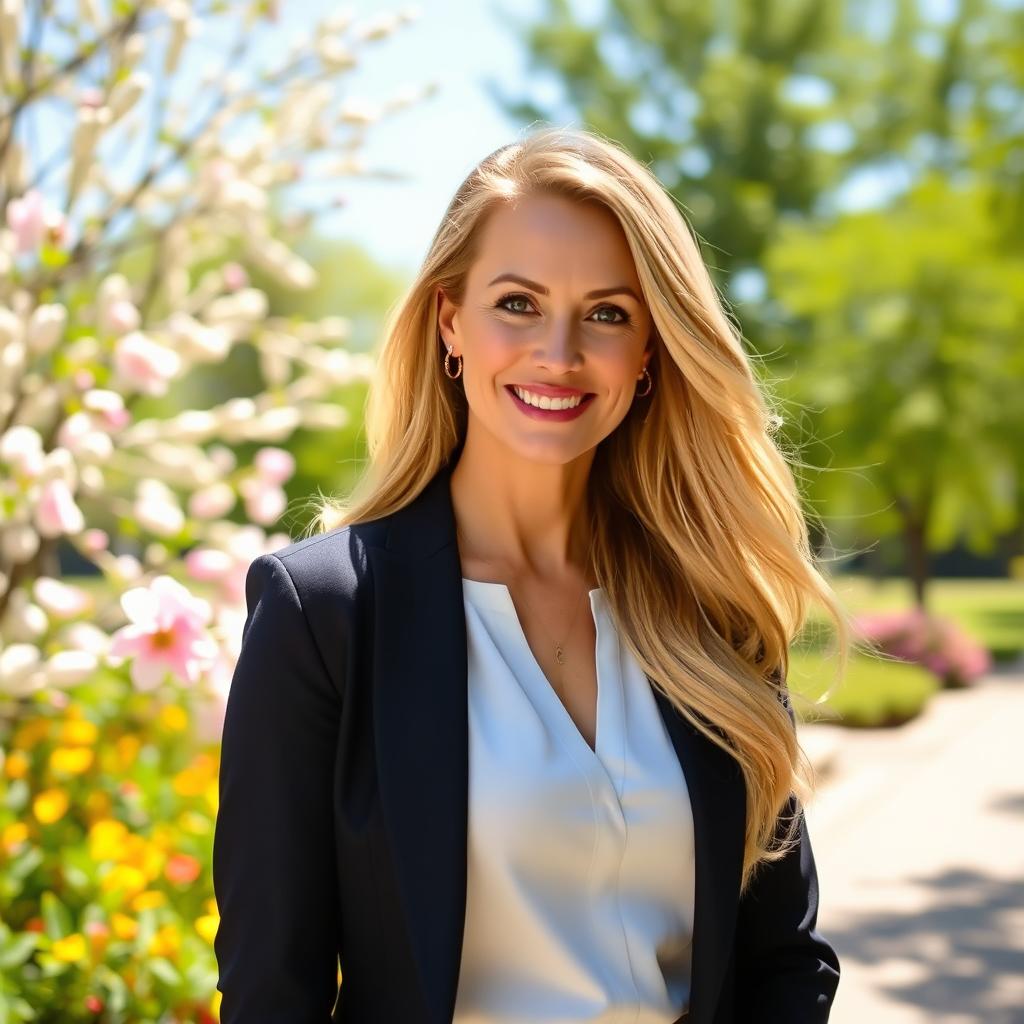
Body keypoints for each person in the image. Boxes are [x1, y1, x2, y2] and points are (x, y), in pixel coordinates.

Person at [212, 125, 851, 1024]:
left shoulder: (712, 615)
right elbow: (272, 990)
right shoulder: (324, 616)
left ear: (649, 357)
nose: (559, 352)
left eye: (607, 313)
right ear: (450, 322)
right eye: (517, 303)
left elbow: (785, 958)